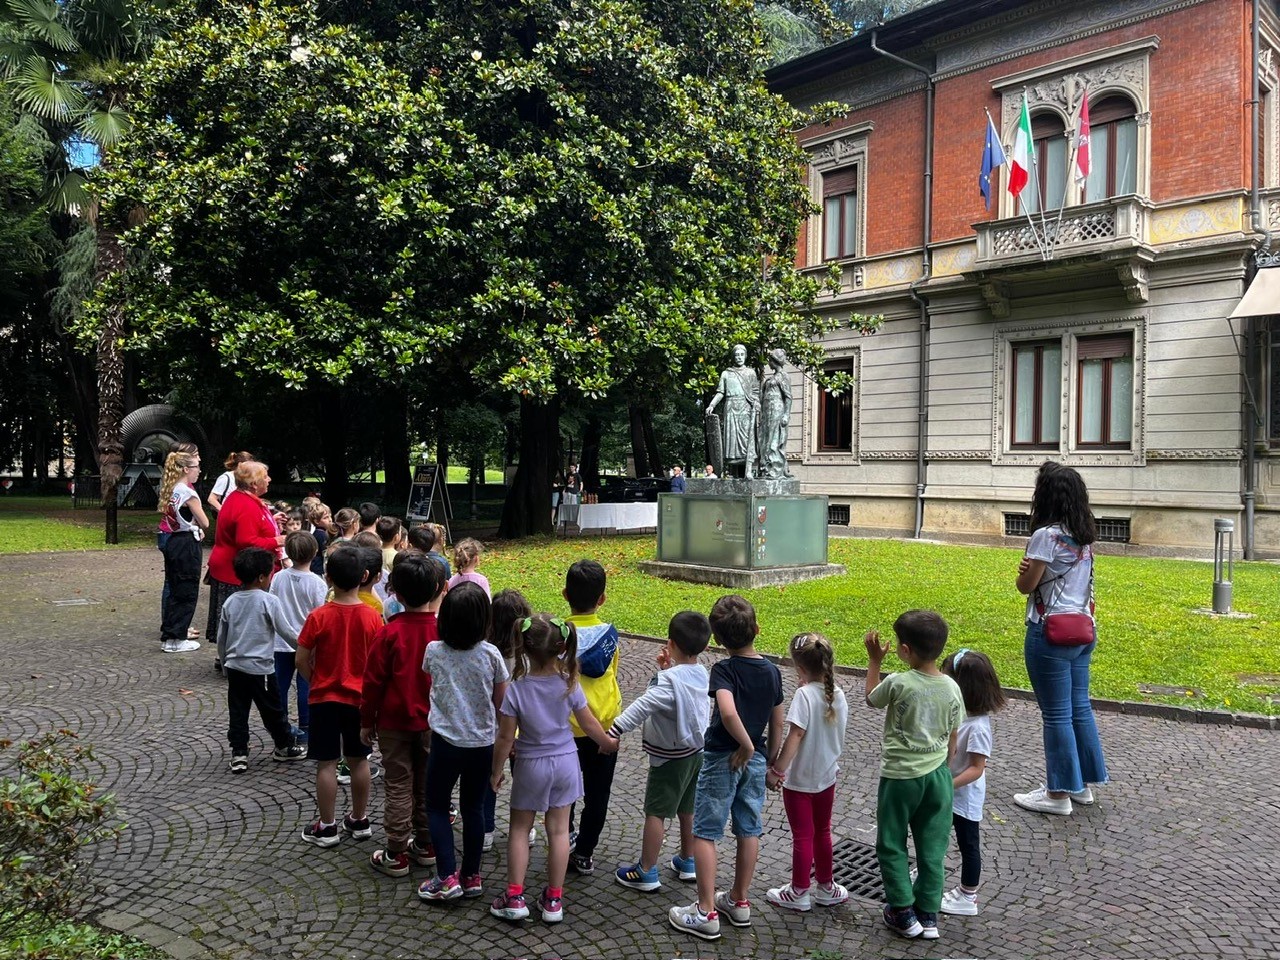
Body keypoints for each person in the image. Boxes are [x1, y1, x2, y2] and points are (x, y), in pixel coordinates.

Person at [489, 615, 617, 925]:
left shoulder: (517, 689)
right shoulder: (568, 683)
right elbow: (588, 722)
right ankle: (554, 899)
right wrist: (606, 742)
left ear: (523, 648)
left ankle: (515, 896)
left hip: (531, 763)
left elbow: (506, 737)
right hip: (565, 763)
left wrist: (495, 772)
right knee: (559, 831)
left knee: (520, 829)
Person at [668, 595, 782, 942]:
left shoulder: (723, 670)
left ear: (716, 640)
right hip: (757, 760)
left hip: (723, 757)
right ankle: (739, 900)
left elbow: (728, 713)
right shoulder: (773, 670)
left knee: (706, 831)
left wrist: (744, 746)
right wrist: (768, 758)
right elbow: (778, 721)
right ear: (757, 630)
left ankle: (705, 911)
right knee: (749, 828)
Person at [1014, 461, 1108, 816]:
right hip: (1083, 629)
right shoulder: (1083, 535)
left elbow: (1026, 585)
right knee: (1078, 707)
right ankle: (1080, 784)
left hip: (1049, 631)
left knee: (1055, 714)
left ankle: (1057, 794)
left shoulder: (1044, 536)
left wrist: (1024, 570)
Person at [864, 611, 965, 941]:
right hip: (938, 779)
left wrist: (874, 662)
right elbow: (953, 735)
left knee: (891, 844)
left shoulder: (898, 682)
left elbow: (871, 699)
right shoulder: (952, 687)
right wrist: (945, 770)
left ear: (905, 650)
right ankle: (928, 914)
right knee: (932, 849)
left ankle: (903, 912)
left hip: (900, 778)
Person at [418, 583, 510, 903]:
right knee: (474, 809)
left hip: (445, 742)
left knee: (436, 806)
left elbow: (429, 676)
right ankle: (471, 876)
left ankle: (446, 876)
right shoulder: (492, 655)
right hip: (482, 744)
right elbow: (503, 705)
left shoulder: (434, 651)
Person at [610, 611, 711, 892]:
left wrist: (614, 729)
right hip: (696, 752)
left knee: (656, 811)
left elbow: (645, 705)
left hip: (670, 758)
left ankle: (646, 870)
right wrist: (668, 670)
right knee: (687, 807)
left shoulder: (667, 681)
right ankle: (688, 860)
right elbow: (681, 697)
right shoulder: (701, 673)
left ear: (671, 643)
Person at [361, 553, 447, 877]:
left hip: (394, 723)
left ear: (394, 592)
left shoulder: (388, 633)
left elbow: (372, 683)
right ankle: (426, 844)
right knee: (427, 783)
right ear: (439, 588)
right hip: (433, 723)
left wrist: (366, 721)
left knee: (398, 784)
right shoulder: (443, 632)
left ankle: (396, 852)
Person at [296, 546, 385, 847]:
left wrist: (316, 679)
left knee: (327, 763)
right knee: (359, 761)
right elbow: (378, 665)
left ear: (328, 576)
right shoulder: (373, 618)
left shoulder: (318, 617)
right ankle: (359, 819)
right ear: (364, 576)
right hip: (359, 701)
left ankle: (327, 825)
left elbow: (301, 658)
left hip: (323, 699)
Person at [764, 632, 850, 912]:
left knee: (802, 835)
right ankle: (826, 886)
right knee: (823, 831)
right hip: (827, 778)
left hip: (800, 782)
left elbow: (796, 734)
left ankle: (799, 890)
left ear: (800, 669)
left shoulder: (804, 695)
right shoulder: (837, 694)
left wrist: (777, 769)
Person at [216, 547, 308, 772]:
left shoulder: (231, 601)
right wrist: (306, 648)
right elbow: (285, 631)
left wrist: (224, 660)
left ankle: (239, 753)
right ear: (261, 577)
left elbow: (222, 637)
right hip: (262, 669)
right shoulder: (269, 601)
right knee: (273, 710)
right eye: (270, 573)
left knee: (238, 711)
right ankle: (284, 746)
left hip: (236, 666)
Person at [564, 559, 622, 875]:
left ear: (564, 594)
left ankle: (566, 834)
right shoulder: (610, 636)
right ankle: (585, 852)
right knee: (598, 794)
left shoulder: (558, 635)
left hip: (565, 729)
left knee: (566, 791)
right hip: (604, 727)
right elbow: (612, 672)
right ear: (602, 598)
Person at [939, 648, 1006, 916]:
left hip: (963, 797)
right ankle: (929, 868)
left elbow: (977, 769)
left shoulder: (978, 727)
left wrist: (947, 784)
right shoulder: (961, 715)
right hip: (948, 790)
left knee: (968, 844)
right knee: (937, 831)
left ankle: (968, 896)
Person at [206, 461, 287, 669]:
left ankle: (225, 657)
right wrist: (277, 541)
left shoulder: (241, 498)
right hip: (234, 571)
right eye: (265, 477)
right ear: (253, 483)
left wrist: (271, 519)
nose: (269, 480)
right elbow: (246, 541)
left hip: (226, 566)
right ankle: (233, 661)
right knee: (239, 621)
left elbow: (253, 525)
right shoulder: (245, 505)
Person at [484, 589, 534, 850]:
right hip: (524, 731)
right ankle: (527, 827)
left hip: (494, 731)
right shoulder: (530, 656)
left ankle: (485, 829)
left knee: (489, 779)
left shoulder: (488, 653)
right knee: (523, 781)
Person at [270, 532, 328, 741]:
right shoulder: (317, 583)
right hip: (308, 643)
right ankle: (306, 726)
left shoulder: (279, 577)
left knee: (280, 686)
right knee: (307, 685)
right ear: (315, 553)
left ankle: (281, 725)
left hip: (281, 641)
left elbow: (273, 603)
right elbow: (321, 613)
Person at [157, 449, 208, 653]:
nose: (199, 470)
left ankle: (170, 634)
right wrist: (197, 524)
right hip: (186, 543)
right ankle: (178, 637)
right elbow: (205, 522)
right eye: (196, 466)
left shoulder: (172, 488)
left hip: (174, 541)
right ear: (186, 469)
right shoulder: (188, 492)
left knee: (174, 589)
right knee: (186, 590)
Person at [705, 344, 759, 480]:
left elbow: (756, 392)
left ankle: (748, 469)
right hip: (731, 409)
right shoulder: (726, 373)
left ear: (745, 356)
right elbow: (720, 392)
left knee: (747, 441)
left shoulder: (751, 373)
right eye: (737, 355)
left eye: (742, 354)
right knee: (731, 443)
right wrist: (712, 405)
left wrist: (756, 404)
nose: (739, 357)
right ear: (733, 357)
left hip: (746, 408)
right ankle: (731, 472)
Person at [758, 348, 793, 480]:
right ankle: (765, 467)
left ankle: (775, 468)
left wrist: (786, 415)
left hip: (777, 410)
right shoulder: (770, 378)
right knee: (765, 439)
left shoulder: (783, 376)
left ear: (775, 361)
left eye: (770, 360)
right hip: (767, 412)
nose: (768, 362)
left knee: (774, 438)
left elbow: (788, 397)